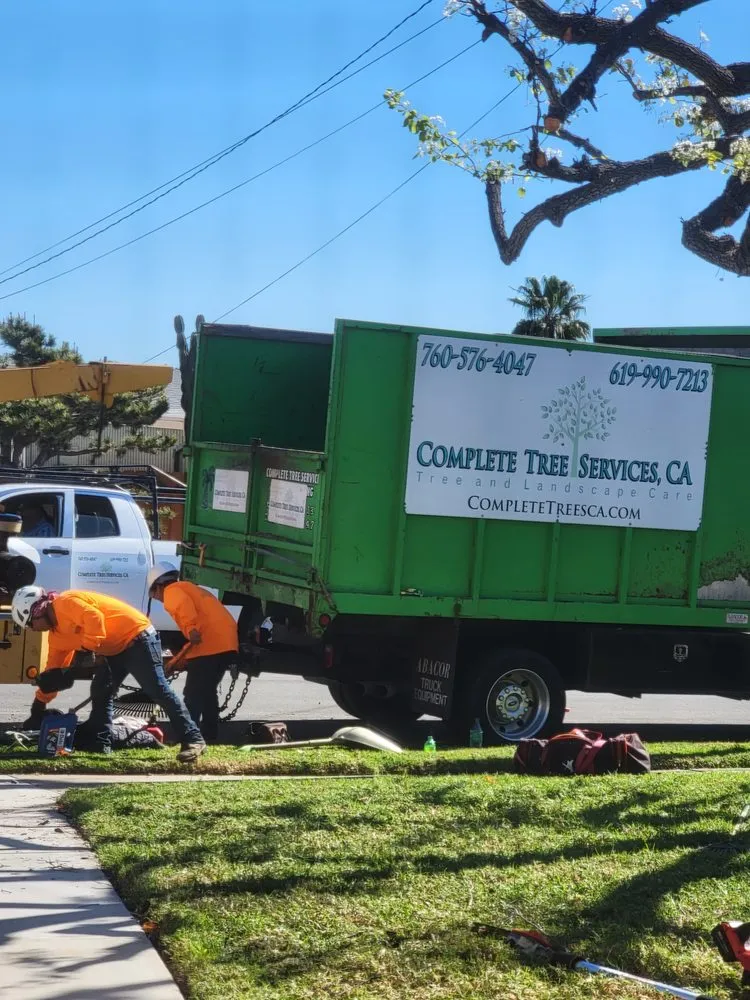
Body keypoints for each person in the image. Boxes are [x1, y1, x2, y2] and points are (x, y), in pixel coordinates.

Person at [12, 585, 206, 762]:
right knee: (100, 690)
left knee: (157, 690)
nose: (33, 629)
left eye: (31, 624)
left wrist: (88, 650)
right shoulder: (56, 637)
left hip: (137, 638)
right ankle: (100, 742)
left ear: (37, 611)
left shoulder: (65, 603)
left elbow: (94, 617)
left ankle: (193, 739)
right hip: (114, 649)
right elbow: (52, 672)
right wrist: (38, 707)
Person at [148, 563, 238, 743]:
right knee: (207, 692)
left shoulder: (172, 591)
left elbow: (183, 607)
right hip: (225, 641)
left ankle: (189, 738)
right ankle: (209, 736)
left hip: (208, 642)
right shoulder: (189, 587)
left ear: (158, 586)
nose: (158, 599)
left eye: (154, 595)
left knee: (193, 694)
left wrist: (190, 630)